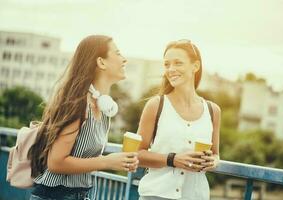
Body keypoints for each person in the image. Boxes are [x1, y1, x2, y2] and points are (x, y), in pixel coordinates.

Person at [28, 35, 139, 200]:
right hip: (55, 196)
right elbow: (56, 163)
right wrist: (108, 162)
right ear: (101, 62)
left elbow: (83, 158)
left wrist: (118, 161)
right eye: (118, 53)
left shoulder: (102, 107)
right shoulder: (78, 104)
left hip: (81, 194)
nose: (124, 60)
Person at [137, 39, 221, 200]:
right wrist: (172, 159)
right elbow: (136, 154)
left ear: (195, 66)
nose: (171, 69)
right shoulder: (156, 105)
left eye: (178, 63)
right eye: (167, 64)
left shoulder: (213, 111)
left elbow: (216, 155)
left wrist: (212, 162)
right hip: (155, 195)